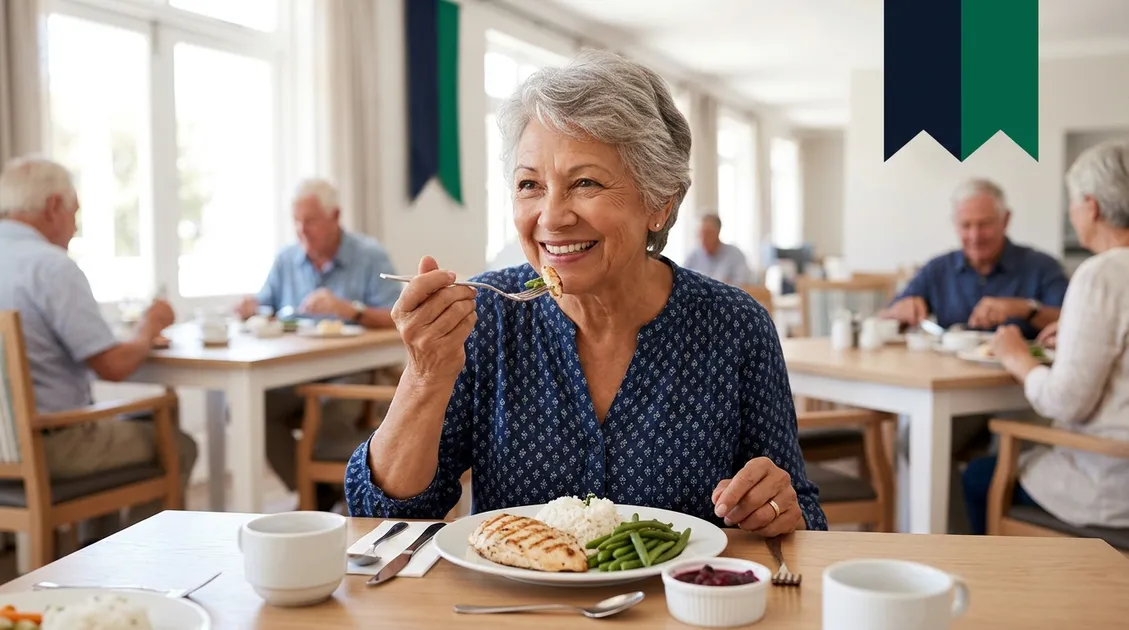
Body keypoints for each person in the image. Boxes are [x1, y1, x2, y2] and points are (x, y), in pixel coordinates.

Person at [344, 50, 828, 534]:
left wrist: (775, 508)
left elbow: (801, 514)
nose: (552, 217)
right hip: (517, 608)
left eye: (585, 182)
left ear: (659, 202)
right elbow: (382, 516)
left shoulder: (734, 325)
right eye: (530, 185)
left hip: (678, 605)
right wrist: (424, 376)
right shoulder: (487, 317)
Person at [0, 155, 198, 543]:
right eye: (74, 213)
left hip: (8, 447)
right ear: (54, 206)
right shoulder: (51, 267)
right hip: (48, 447)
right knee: (177, 443)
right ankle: (125, 569)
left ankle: (92, 558)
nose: (74, 228)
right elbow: (112, 366)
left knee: (129, 426)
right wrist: (149, 328)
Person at [963, 139, 1129, 534]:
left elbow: (1065, 402)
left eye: (1073, 203)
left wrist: (1017, 356)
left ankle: (1004, 590)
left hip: (1109, 485)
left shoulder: (1100, 274)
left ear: (1091, 206)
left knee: (979, 476)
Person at [235, 178, 402, 509]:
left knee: (331, 410)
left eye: (309, 221)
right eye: (296, 221)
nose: (301, 230)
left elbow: (396, 314)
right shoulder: (286, 260)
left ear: (335, 216)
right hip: (294, 372)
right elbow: (265, 305)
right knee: (252, 407)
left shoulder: (368, 255)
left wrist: (349, 309)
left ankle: (334, 495)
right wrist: (250, 307)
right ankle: (316, 493)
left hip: (354, 369)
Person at [880, 178, 1067, 339]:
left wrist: (1026, 309)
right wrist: (899, 312)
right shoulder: (937, 269)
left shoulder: (1043, 266)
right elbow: (884, 316)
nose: (975, 236)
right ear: (955, 225)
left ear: (1006, 220)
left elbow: (1072, 324)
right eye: (966, 225)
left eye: (984, 224)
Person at [684, 213, 755, 285]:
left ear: (718, 232)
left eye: (708, 233)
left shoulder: (735, 254)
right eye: (701, 233)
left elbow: (744, 284)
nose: (703, 238)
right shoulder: (693, 256)